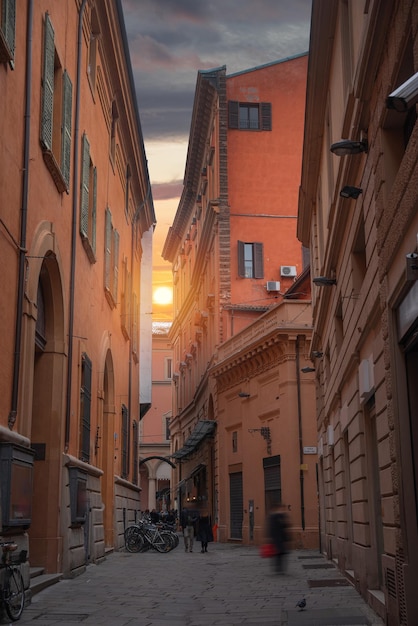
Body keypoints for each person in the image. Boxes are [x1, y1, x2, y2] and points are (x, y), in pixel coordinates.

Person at [268, 502, 289, 574]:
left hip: (280, 538)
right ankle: (278, 567)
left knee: (280, 552)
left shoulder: (280, 516)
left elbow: (285, 526)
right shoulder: (274, 516)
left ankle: (279, 567)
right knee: (279, 552)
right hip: (277, 538)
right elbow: (272, 528)